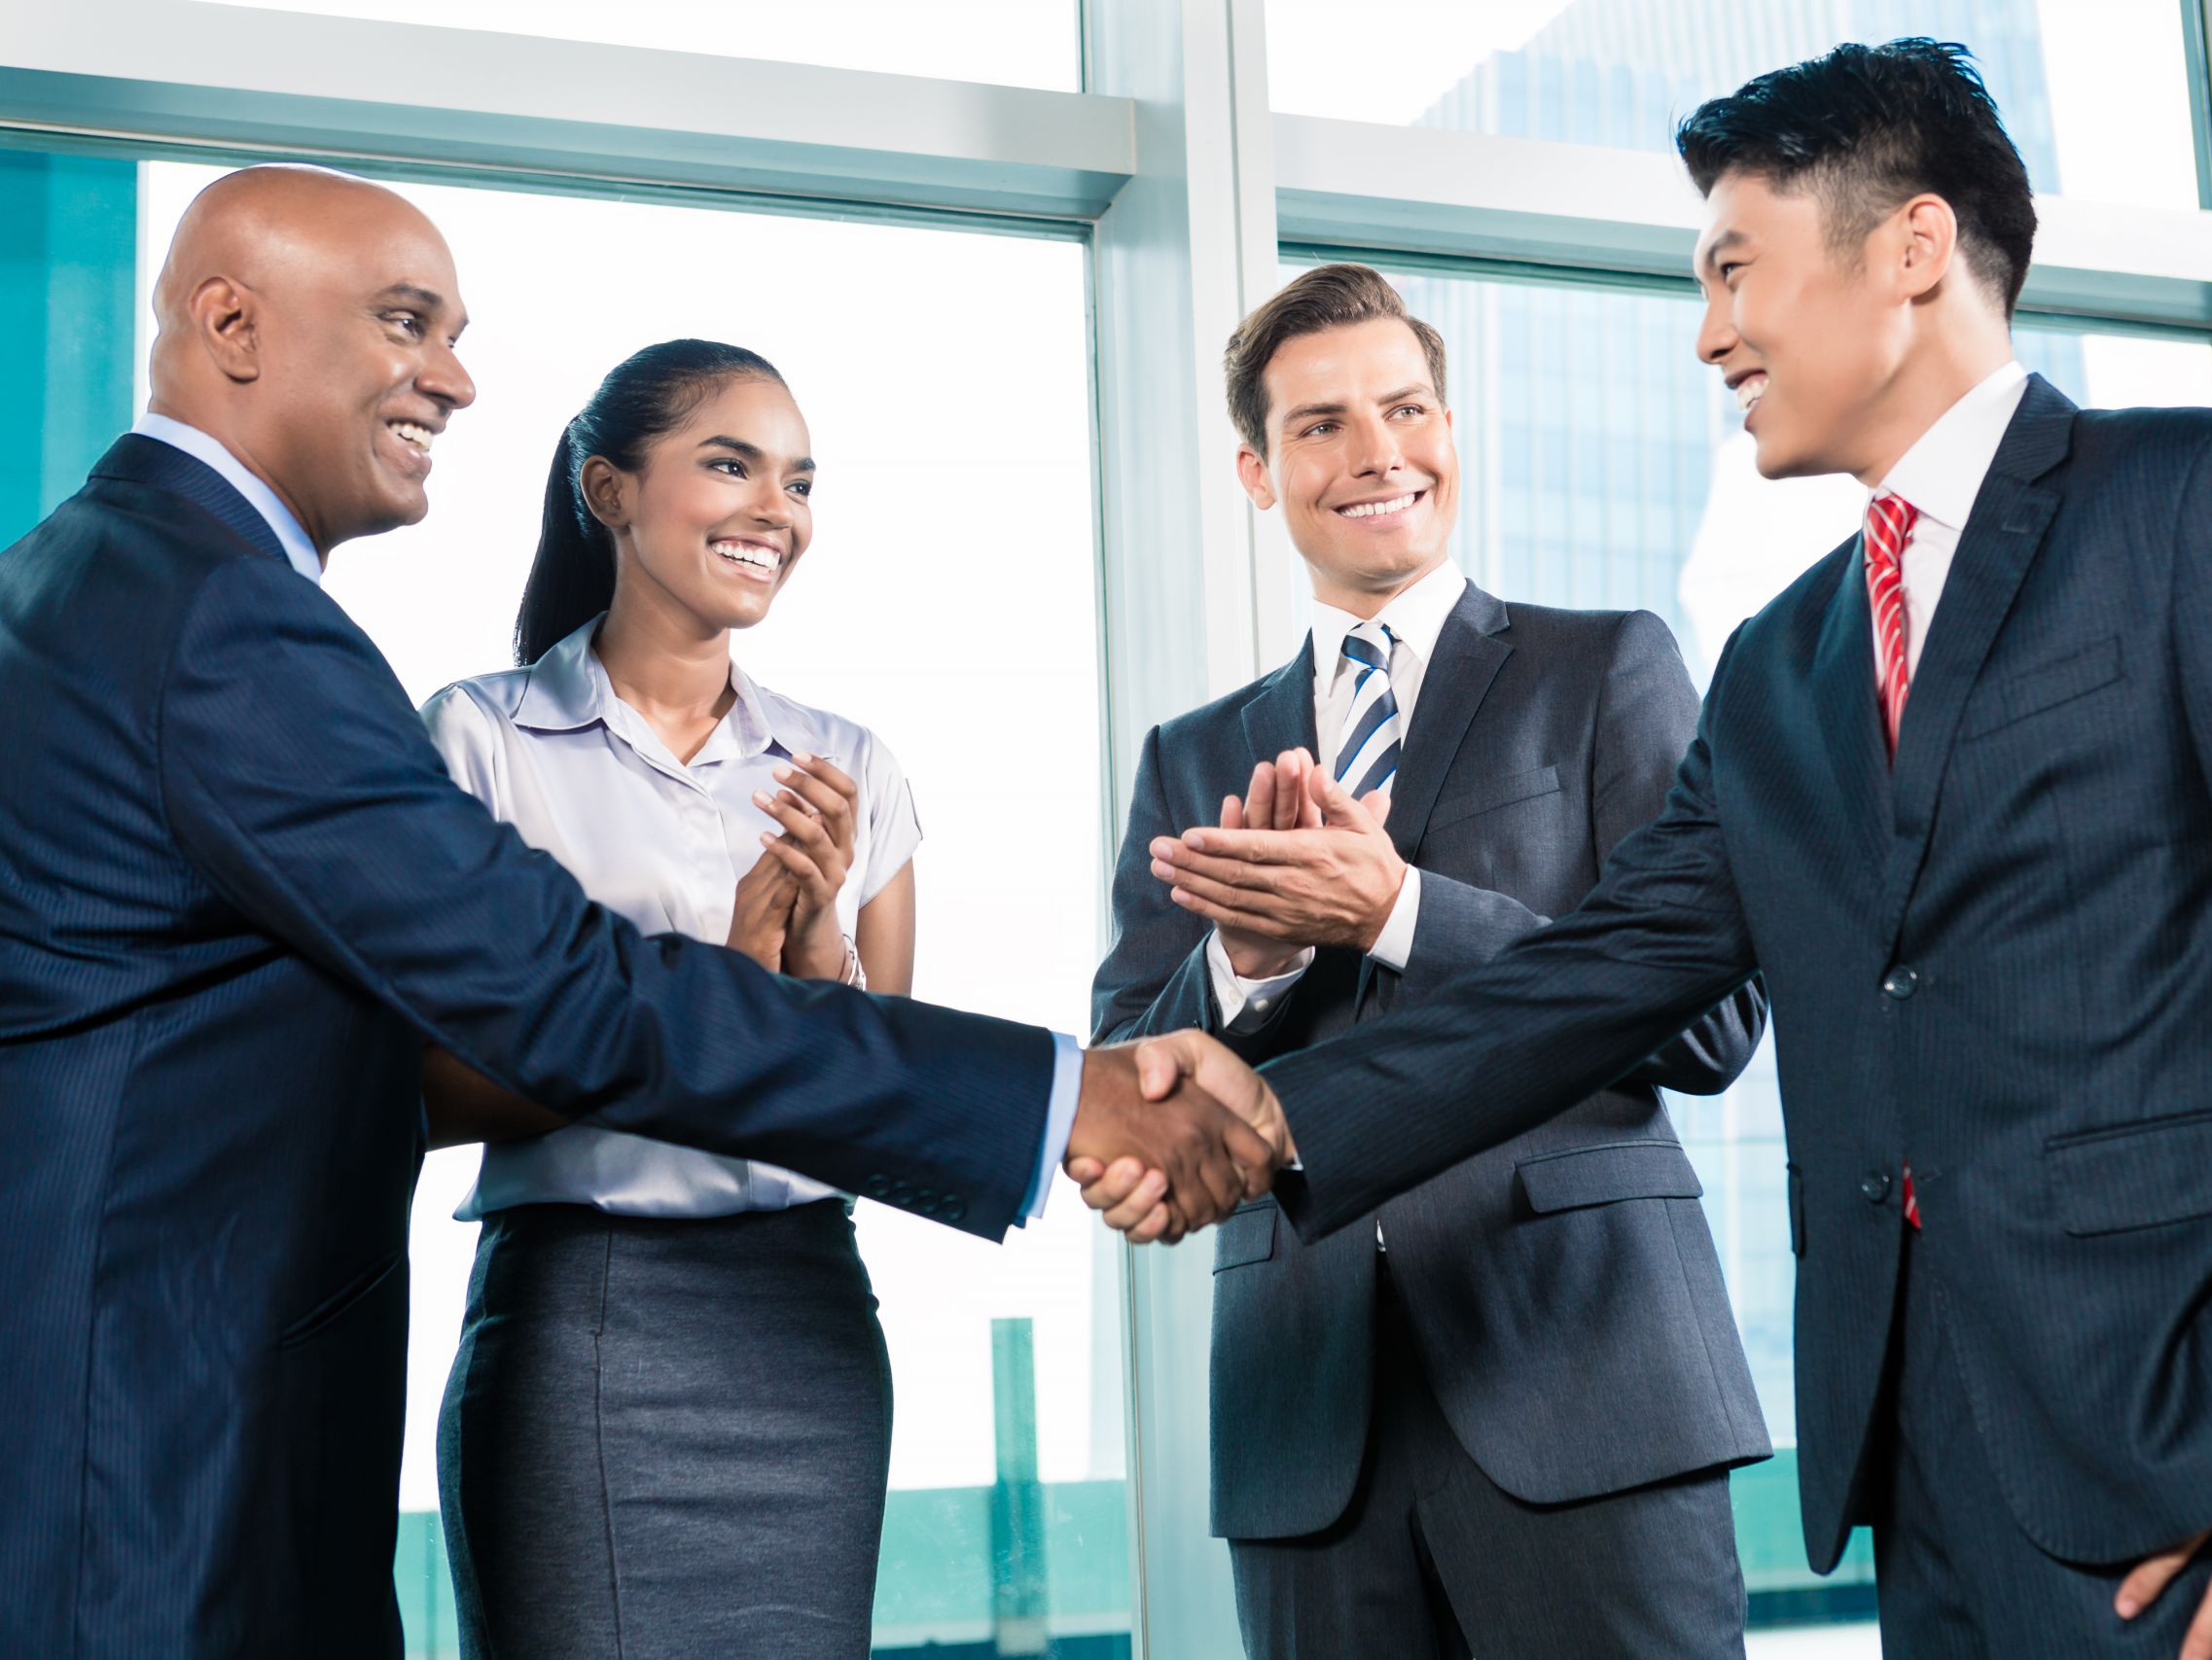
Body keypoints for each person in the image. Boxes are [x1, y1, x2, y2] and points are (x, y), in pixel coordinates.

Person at [1101, 40, 2212, 1660]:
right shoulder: (1783, 663)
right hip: (1921, 1469)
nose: (1709, 335)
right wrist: (1271, 1112)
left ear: (1907, 250)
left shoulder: (2205, 504)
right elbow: (1604, 979)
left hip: (2196, 1443)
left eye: (1733, 271)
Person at [0, 164, 1274, 1658]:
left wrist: (818, 980)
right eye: (408, 323)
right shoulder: (231, 621)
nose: (460, 379)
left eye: (459, 331)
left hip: (223, 1403)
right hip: (184, 1441)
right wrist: (1066, 1094)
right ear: (231, 323)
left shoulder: (93, 579)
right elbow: (555, 995)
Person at [1086, 265, 1769, 1658]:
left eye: (1407, 408)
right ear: (1258, 471)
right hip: (1306, 1416)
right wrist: (1250, 961)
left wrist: (1400, 908)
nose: (1379, 452)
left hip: (1587, 1381)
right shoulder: (1195, 755)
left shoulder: (1608, 671)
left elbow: (1714, 1023)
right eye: (1324, 424)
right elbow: (1127, 1077)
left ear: (1452, 429)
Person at [413, 340, 929, 1655]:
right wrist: (729, 970)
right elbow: (427, 1082)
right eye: (729, 464)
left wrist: (816, 961)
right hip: (586, 1319)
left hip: (806, 1320)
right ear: (610, 490)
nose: (778, 509)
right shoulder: (478, 741)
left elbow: (884, 1117)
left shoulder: (850, 769)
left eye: (799, 480)